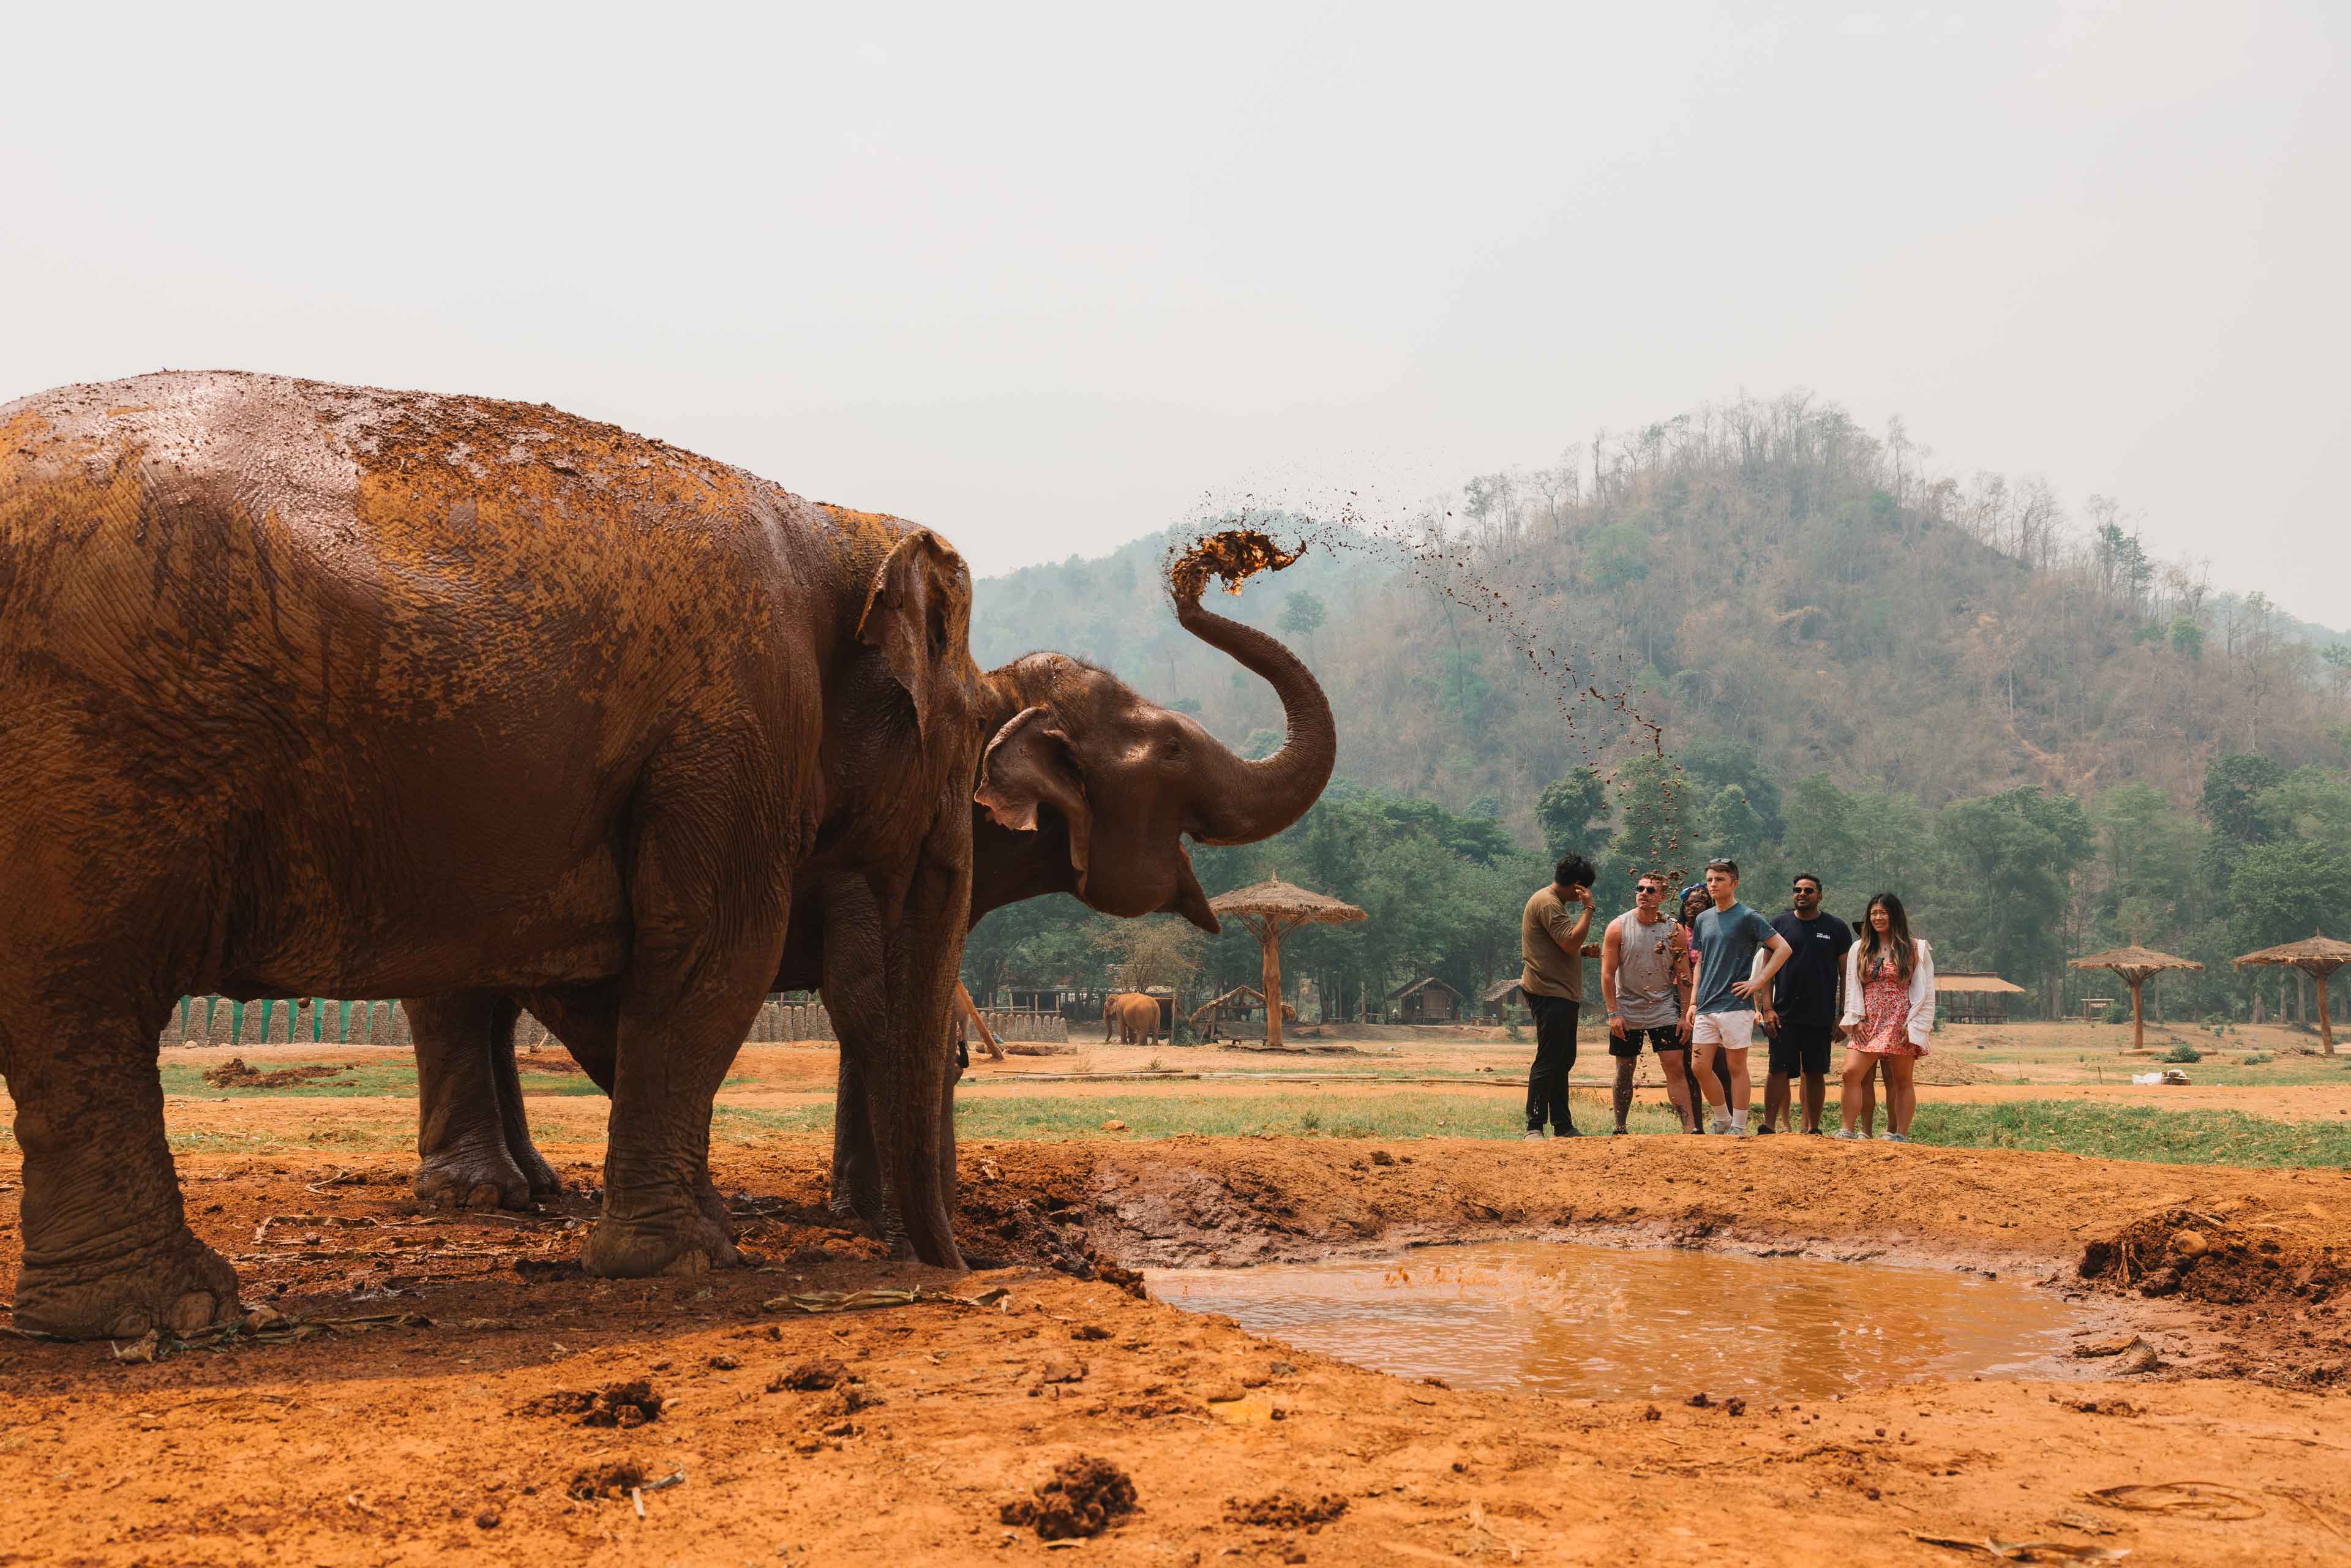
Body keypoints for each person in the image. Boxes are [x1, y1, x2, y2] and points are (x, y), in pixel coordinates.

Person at [1682, 858, 1793, 1136]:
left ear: (1735, 883)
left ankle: (1739, 1126)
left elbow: (1783, 949)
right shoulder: (1703, 919)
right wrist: (1693, 1001)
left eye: (1720, 880)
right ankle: (1722, 1119)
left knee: (1735, 1066)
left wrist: (1758, 981)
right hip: (1706, 1005)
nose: (1713, 885)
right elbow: (1701, 962)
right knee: (1699, 1067)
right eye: (1710, 880)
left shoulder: (1748, 917)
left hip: (1735, 1004)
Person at [1600, 872, 1698, 1133]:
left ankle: (1690, 1128)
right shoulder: (1618, 927)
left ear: (1662, 897)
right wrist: (1613, 1014)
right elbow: (1607, 974)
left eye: (1651, 890)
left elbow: (1684, 974)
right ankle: (1620, 1127)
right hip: (1627, 1007)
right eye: (1640, 889)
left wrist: (1684, 1015)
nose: (1644, 894)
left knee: (1674, 1066)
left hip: (1663, 1006)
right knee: (1625, 1068)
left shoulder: (1674, 929)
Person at [1836, 893, 1937, 1141]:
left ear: (1895, 916)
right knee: (1850, 1073)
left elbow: (1927, 992)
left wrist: (1916, 1026)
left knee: (1901, 1079)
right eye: (1874, 913)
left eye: (1883, 913)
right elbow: (1852, 986)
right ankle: (1847, 1130)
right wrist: (1855, 1019)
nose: (1878, 918)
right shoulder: (1859, 948)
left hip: (1900, 1021)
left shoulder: (1915, 948)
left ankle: (1899, 1134)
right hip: (1869, 1020)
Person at [1763, 874, 1853, 1135]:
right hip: (1783, 1014)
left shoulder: (1836, 927)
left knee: (1815, 1072)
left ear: (1820, 896)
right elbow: (1766, 972)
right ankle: (1768, 1126)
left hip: (1820, 1015)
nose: (1802, 894)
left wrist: (1842, 1014)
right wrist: (1767, 1008)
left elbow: (1846, 973)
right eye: (1798, 890)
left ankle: (1814, 1129)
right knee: (1778, 1070)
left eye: (1808, 890)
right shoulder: (1778, 925)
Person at [1521, 853, 1597, 1139]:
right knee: (1550, 1058)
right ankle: (1534, 1125)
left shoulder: (1551, 902)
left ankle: (1562, 1125)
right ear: (1578, 886)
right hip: (1549, 991)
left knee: (1563, 1060)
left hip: (1560, 992)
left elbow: (1562, 945)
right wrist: (1589, 909)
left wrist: (1582, 951)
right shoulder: (1549, 903)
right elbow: (1569, 943)